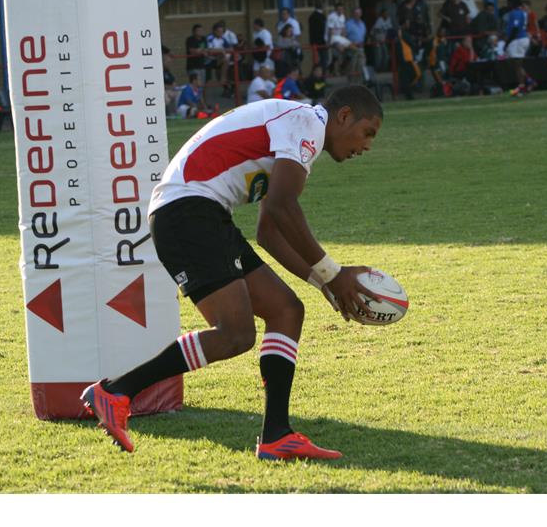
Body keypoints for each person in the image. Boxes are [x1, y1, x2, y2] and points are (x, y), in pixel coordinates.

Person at [80, 86, 385, 461]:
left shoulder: (300, 131)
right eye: (367, 132)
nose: (367, 145)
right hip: (187, 212)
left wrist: (323, 282)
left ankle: (276, 435)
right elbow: (281, 207)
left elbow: (268, 231)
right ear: (344, 116)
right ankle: (116, 391)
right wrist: (333, 274)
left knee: (286, 310)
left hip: (200, 212)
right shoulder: (305, 123)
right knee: (235, 333)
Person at [503, 0, 532, 96]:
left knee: (517, 65)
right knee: (514, 64)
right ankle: (528, 81)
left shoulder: (515, 13)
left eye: (508, 2)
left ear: (512, 3)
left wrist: (507, 42)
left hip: (518, 39)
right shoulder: (522, 12)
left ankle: (522, 87)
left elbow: (515, 28)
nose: (507, 4)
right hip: (520, 39)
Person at [206, 22, 233, 95]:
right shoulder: (210, 38)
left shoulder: (223, 39)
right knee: (206, 81)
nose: (221, 33)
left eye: (222, 31)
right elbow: (210, 50)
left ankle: (224, 81)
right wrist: (221, 50)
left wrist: (221, 50)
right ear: (214, 31)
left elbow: (230, 49)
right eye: (219, 31)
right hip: (209, 60)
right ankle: (223, 81)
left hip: (219, 59)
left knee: (227, 57)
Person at [325, 2, 351, 75]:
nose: (340, 11)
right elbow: (330, 31)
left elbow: (343, 29)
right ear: (336, 10)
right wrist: (329, 42)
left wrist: (344, 40)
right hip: (332, 38)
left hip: (339, 38)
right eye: (339, 9)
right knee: (338, 53)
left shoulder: (342, 16)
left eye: (342, 9)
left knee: (350, 51)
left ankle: (342, 67)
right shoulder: (331, 16)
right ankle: (332, 67)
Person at [308, 1, 328, 72]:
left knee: (317, 60)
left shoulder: (312, 16)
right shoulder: (322, 16)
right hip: (321, 42)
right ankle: (322, 75)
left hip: (314, 42)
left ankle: (317, 74)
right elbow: (323, 30)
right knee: (324, 59)